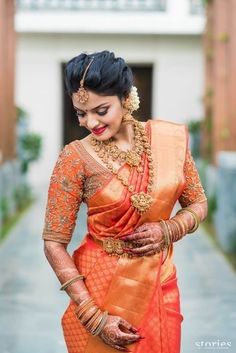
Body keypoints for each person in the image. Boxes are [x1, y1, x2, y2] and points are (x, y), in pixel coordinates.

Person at [42, 50, 208, 353]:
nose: (90, 122)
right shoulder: (74, 158)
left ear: (126, 97)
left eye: (101, 110)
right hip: (99, 292)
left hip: (159, 281)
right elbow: (53, 243)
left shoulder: (168, 141)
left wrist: (169, 230)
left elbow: (198, 203)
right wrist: (93, 315)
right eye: (81, 113)